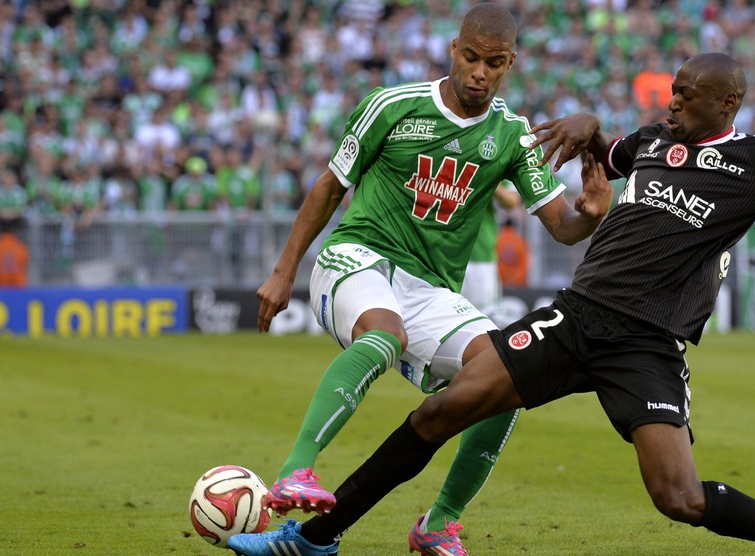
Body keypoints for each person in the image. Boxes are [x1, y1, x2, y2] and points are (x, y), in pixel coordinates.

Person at [229, 53, 755, 556]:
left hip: (648, 344)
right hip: (575, 317)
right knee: (441, 409)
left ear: (727, 104)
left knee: (679, 498)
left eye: (685, 99)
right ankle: (315, 539)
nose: (671, 108)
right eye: (671, 96)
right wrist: (589, 127)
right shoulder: (654, 142)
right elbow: (603, 155)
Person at [239, 4, 611, 555]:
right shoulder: (393, 105)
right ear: (453, 48)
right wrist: (282, 271)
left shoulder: (510, 133)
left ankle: (438, 523)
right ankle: (296, 471)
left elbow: (562, 227)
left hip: (431, 289)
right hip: (356, 257)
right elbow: (328, 187)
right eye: (470, 57)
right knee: (384, 334)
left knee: (503, 378)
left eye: (494, 62)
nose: (479, 72)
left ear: (510, 63)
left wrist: (593, 213)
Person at [460, 184, 522, 321]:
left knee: (483, 319)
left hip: (479, 256)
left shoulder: (491, 162)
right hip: (441, 255)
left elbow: (512, 201)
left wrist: (490, 178)